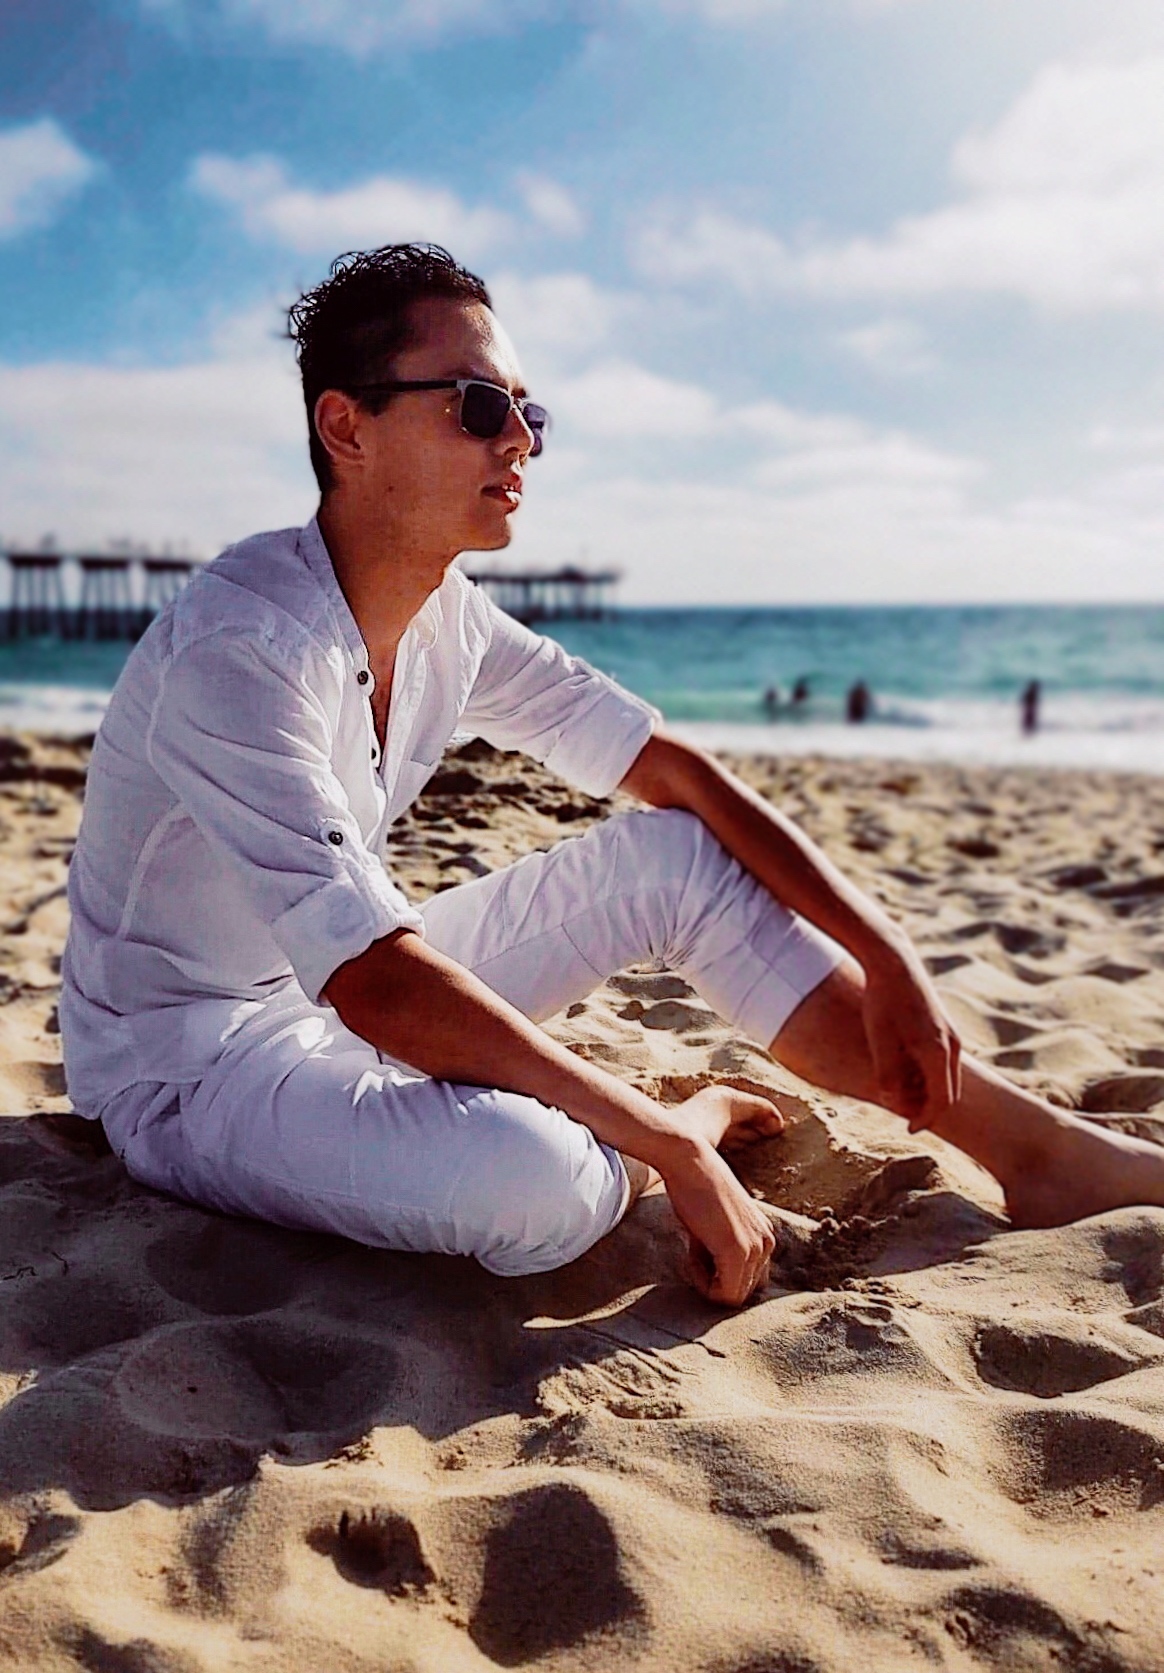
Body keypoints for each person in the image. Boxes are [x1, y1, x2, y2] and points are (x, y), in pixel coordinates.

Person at [60, 244, 1164, 1308]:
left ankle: (1039, 1150)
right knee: (535, 1185)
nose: (521, 443)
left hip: (329, 992)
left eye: (530, 413)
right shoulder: (241, 647)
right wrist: (658, 1136)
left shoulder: (448, 618)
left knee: (679, 857)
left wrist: (889, 948)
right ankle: (659, 1128)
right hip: (191, 1063)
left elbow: (675, 770)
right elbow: (379, 984)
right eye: (478, 406)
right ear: (345, 426)